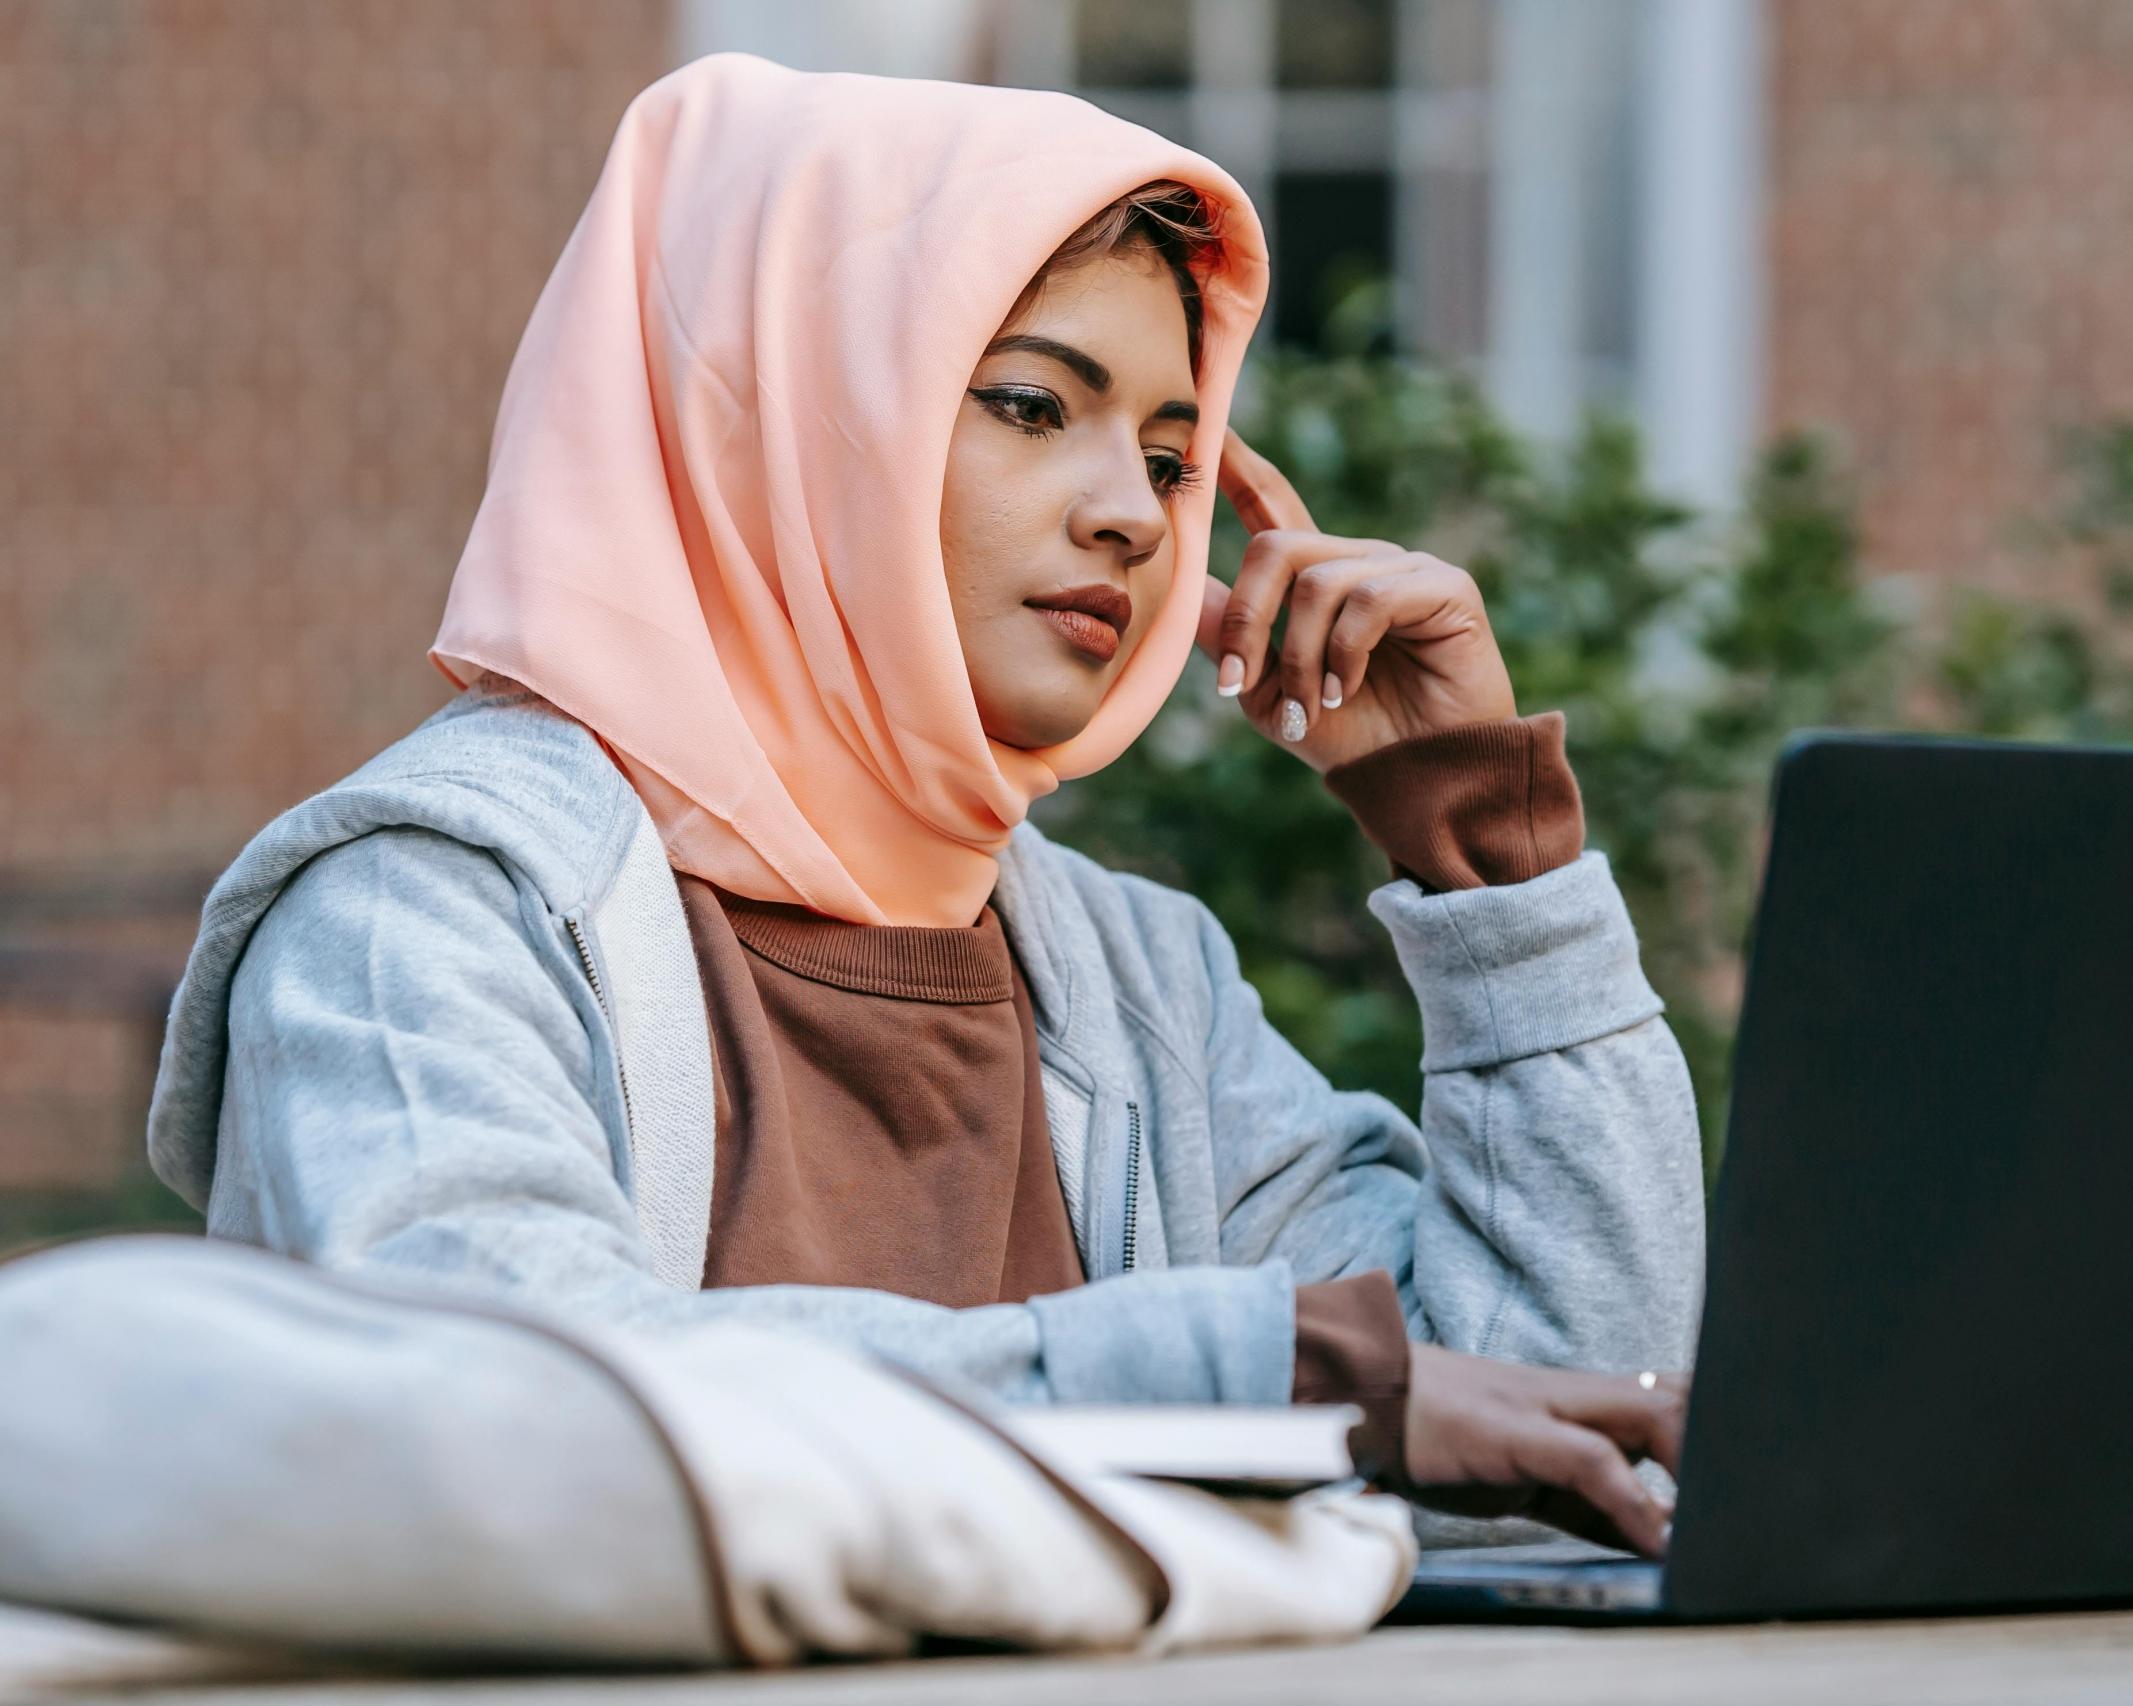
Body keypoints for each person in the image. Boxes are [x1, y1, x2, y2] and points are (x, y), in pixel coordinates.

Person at [142, 53, 1706, 1556]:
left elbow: (1560, 1431)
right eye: (1034, 405)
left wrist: (1488, 847)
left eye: (1173, 457)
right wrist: (1240, 1375)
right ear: (785, 417)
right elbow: (523, 1410)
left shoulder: (1133, 982)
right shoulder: (424, 912)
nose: (1131, 515)